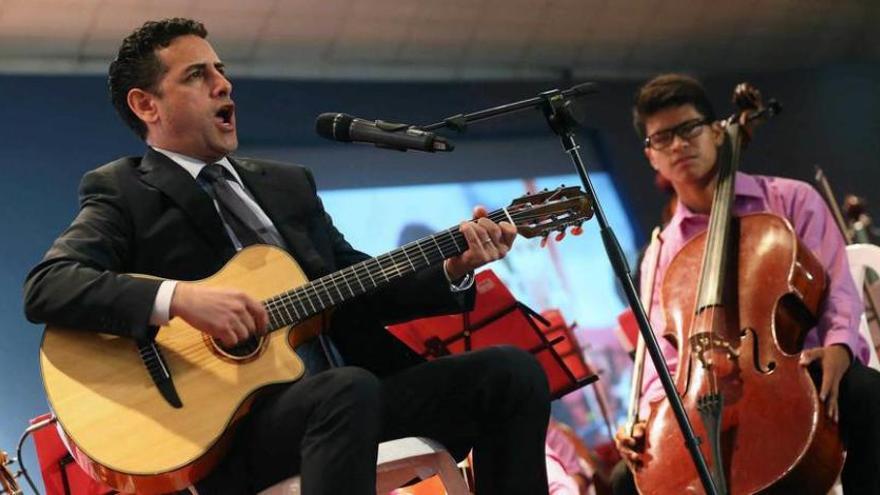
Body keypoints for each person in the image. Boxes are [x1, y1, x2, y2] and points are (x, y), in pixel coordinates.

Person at [23, 18, 551, 495]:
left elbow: (357, 286)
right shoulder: (123, 190)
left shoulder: (286, 184)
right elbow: (50, 285)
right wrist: (181, 300)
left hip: (353, 400)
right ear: (147, 105)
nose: (223, 84)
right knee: (345, 390)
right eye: (196, 76)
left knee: (511, 373)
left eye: (221, 71)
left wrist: (453, 267)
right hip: (236, 436)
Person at [610, 74, 880, 494]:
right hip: (705, 394)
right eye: (663, 138)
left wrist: (841, 346)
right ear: (651, 157)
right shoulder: (661, 252)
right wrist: (646, 414)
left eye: (689, 129)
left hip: (797, 373)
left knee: (866, 392)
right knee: (626, 480)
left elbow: (837, 289)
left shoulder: (792, 201)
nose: (679, 145)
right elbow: (661, 353)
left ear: (718, 131)